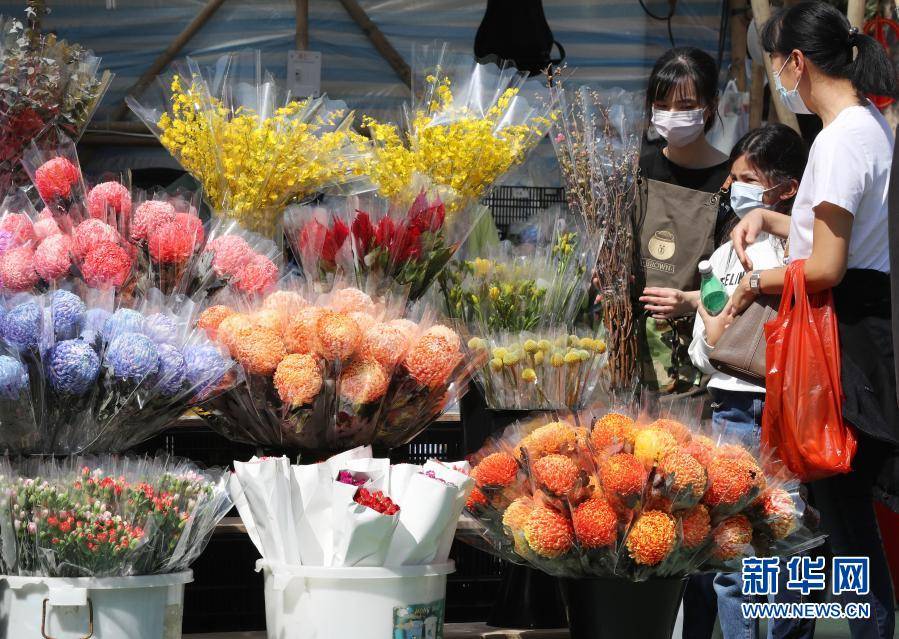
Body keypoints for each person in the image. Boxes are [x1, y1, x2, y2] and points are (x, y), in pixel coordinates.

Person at [729, 3, 899, 638]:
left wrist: (752, 283)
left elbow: (826, 265)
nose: (778, 78)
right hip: (862, 332)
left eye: (775, 65)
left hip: (840, 342)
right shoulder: (870, 127)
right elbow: (841, 236)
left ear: (796, 63)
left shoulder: (838, 140)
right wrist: (771, 219)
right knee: (838, 525)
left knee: (844, 526)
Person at [686, 124, 811, 639]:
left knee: (791, 544)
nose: (736, 190)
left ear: (785, 187)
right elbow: (714, 338)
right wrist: (714, 294)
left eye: (748, 180)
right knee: (734, 550)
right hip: (734, 410)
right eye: (732, 180)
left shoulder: (805, 243)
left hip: (790, 411)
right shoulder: (721, 254)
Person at [636, 46, 733, 394]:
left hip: (700, 351)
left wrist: (690, 299)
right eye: (662, 106)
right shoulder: (640, 169)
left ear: (711, 105)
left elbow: (738, 279)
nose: (671, 115)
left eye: (686, 106)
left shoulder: (730, 181)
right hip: (634, 347)